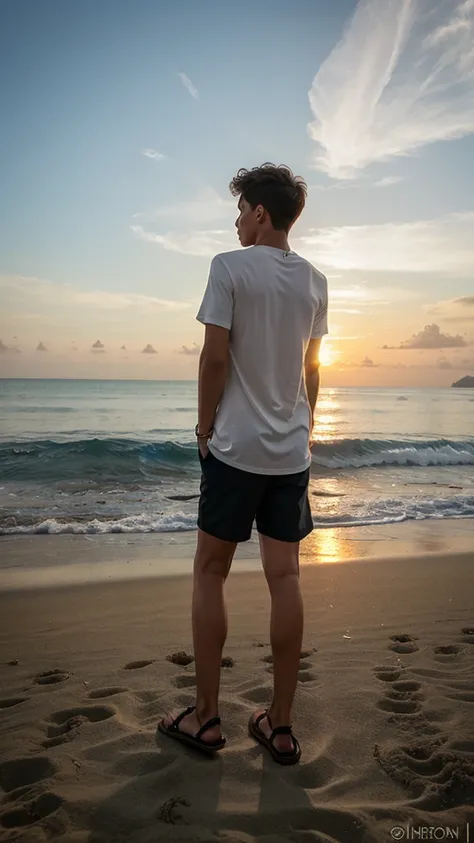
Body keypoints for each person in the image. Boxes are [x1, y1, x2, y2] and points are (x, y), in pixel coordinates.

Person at [159, 163, 328, 765]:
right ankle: (280, 726)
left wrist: (205, 428)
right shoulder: (315, 280)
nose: (235, 222)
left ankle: (206, 718)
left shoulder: (228, 268)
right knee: (286, 578)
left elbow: (213, 362)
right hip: (289, 453)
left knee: (211, 572)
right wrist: (304, 430)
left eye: (240, 211)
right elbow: (312, 371)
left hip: (234, 450)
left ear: (260, 213)